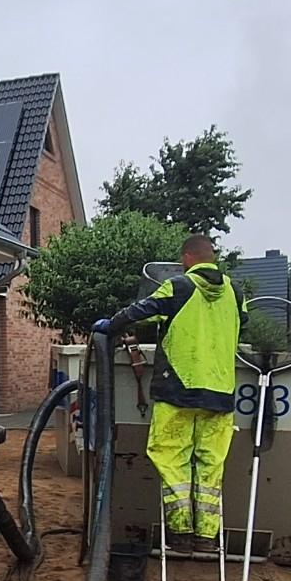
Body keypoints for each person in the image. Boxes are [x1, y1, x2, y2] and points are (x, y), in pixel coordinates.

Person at [95, 234, 243, 547]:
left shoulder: (179, 286)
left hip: (177, 389)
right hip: (221, 393)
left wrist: (112, 326)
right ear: (211, 257)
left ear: (187, 259)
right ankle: (205, 535)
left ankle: (179, 531)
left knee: (170, 456)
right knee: (211, 465)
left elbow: (139, 311)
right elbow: (241, 324)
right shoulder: (234, 291)